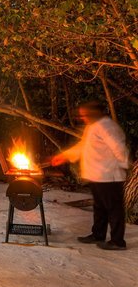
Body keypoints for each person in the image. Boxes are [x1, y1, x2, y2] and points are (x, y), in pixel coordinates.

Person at [51, 101, 130, 250]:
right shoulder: (92, 126)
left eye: (85, 115)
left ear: (96, 112)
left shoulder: (107, 126)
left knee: (114, 209)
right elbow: (83, 146)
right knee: (99, 207)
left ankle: (118, 241)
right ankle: (98, 235)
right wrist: (64, 156)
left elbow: (119, 147)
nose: (83, 118)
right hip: (97, 175)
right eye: (82, 115)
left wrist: (123, 166)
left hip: (109, 176)